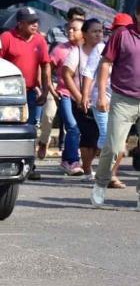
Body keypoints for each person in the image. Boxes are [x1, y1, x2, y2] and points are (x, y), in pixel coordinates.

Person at [90, 3, 140, 210]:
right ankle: (101, 183)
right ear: (137, 14)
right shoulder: (122, 35)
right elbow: (105, 63)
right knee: (113, 147)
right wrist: (101, 95)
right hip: (123, 99)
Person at [0, 7, 51, 180]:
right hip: (8, 94)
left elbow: (46, 65)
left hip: (29, 92)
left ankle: (30, 165)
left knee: (30, 129)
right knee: (9, 129)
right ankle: (5, 163)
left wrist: (45, 89)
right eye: (30, 22)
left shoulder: (40, 41)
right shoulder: (7, 38)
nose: (35, 25)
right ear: (20, 24)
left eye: (36, 21)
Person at [81, 15, 132, 188]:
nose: (124, 32)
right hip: (101, 100)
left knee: (119, 141)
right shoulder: (102, 48)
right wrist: (85, 95)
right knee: (108, 138)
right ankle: (106, 175)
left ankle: (108, 174)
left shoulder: (132, 47)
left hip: (123, 101)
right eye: (120, 29)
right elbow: (89, 72)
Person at [63, 18, 103, 179]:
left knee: (98, 137)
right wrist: (80, 97)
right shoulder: (77, 52)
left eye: (101, 31)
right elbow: (66, 74)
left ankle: (88, 165)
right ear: (85, 34)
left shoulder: (106, 50)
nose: (99, 34)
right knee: (88, 136)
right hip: (81, 102)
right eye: (94, 31)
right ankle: (87, 169)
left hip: (101, 102)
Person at [48, 18, 84, 176]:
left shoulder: (88, 50)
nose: (70, 31)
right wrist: (50, 87)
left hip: (82, 96)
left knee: (77, 128)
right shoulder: (60, 49)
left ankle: (65, 160)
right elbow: (47, 67)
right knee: (73, 127)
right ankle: (73, 161)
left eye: (74, 29)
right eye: (68, 29)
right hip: (64, 93)